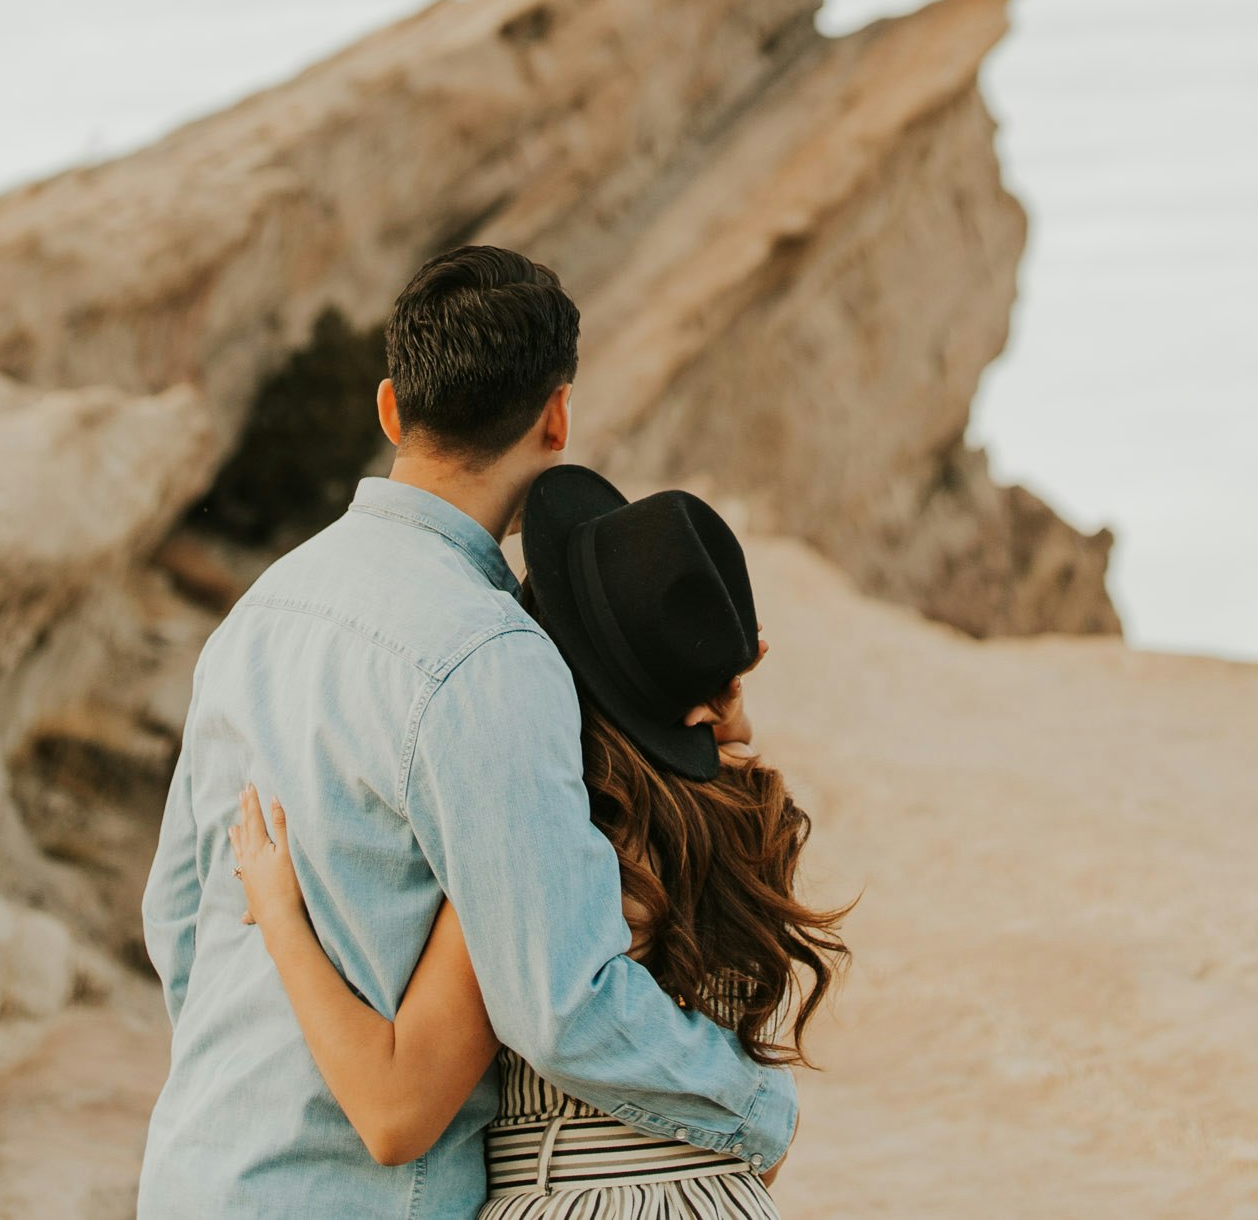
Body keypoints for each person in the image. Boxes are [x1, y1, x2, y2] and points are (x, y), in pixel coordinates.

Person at [139, 247, 800, 1217]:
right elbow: (558, 1001)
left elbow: (177, 923)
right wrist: (755, 1106)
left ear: (390, 410)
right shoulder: (491, 656)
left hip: (195, 1177)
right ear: (558, 417)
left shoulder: (257, 616)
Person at [230, 468, 850, 1216]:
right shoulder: (744, 827)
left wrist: (281, 917)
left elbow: (394, 1109)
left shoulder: (554, 849)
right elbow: (745, 1156)